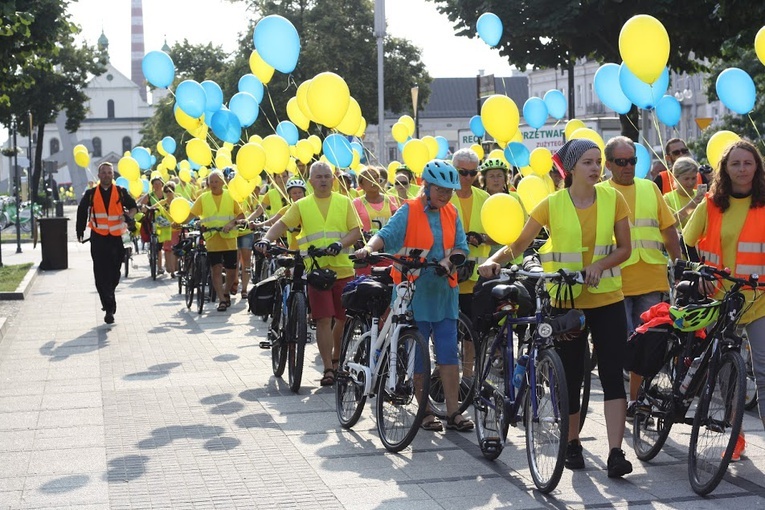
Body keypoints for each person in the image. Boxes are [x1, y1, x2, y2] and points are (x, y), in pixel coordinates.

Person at [478, 139, 634, 478]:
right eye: (589, 162)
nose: (597, 168)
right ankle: (573, 442)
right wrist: (492, 260)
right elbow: (519, 244)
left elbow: (625, 248)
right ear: (572, 168)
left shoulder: (613, 198)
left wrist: (600, 264)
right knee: (571, 376)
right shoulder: (552, 204)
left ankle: (615, 452)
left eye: (599, 162)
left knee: (611, 376)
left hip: (607, 298)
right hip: (565, 301)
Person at [354, 159, 473, 432]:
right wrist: (367, 249)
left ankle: (453, 412)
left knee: (447, 353)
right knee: (419, 353)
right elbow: (384, 235)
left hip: (444, 292)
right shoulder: (409, 210)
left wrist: (449, 261)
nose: (445, 195)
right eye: (440, 189)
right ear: (426, 186)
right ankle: (425, 410)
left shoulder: (452, 212)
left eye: (449, 190)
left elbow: (461, 247)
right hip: (412, 290)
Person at [684, 139, 765, 461]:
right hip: (721, 298)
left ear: (757, 166)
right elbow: (687, 242)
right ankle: (736, 437)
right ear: (725, 169)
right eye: (736, 164)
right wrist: (699, 273)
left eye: (748, 163)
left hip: (760, 299)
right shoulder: (711, 204)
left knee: (763, 369)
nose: (742, 169)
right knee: (726, 372)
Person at [256, 162, 361, 386]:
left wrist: (339, 244)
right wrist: (267, 239)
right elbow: (281, 225)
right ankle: (329, 368)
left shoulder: (344, 202)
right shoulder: (302, 205)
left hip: (343, 269)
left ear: (333, 180)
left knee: (342, 320)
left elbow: (355, 232)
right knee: (324, 320)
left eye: (326, 176)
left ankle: (336, 356)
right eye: (318, 177)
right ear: (310, 181)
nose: (323, 180)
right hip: (316, 271)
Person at [600, 136, 682, 417]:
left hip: (651, 278)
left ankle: (635, 401)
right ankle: (618, 400)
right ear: (608, 164)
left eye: (632, 161)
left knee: (646, 346)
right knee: (620, 348)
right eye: (621, 162)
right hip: (615, 282)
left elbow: (668, 229)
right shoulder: (600, 193)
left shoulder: (649, 188)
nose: (627, 166)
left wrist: (679, 263)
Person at [76, 162, 138, 324]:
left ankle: (110, 295)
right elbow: (82, 210)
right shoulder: (91, 193)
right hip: (98, 238)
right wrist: (79, 229)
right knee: (100, 274)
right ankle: (108, 308)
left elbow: (134, 207)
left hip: (116, 238)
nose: (106, 175)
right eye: (103, 173)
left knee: (115, 273)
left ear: (113, 175)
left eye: (109, 172)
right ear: (99, 175)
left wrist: (128, 217)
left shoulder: (121, 192)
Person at [186, 170, 245, 311]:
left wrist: (231, 224)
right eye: (211, 182)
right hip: (212, 239)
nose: (213, 184)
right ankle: (221, 299)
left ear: (222, 182)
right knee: (216, 268)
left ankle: (225, 292)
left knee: (232, 271)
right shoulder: (203, 198)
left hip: (229, 238)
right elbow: (192, 214)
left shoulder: (231, 196)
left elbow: (241, 214)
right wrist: (179, 222)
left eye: (216, 181)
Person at [139, 176, 167, 275]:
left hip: (165, 222)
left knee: (163, 244)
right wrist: (144, 208)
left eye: (159, 183)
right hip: (152, 220)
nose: (157, 186)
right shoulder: (149, 196)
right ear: (152, 185)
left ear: (162, 184)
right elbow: (141, 205)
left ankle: (162, 265)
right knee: (156, 243)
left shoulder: (166, 194)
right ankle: (157, 263)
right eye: (155, 184)